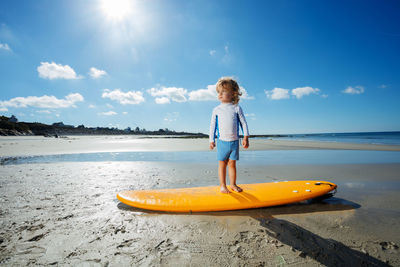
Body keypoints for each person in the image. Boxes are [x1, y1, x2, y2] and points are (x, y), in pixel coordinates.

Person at [209, 77, 249, 194]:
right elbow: (212, 126)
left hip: (234, 141)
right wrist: (211, 140)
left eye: (223, 91)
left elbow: (243, 123)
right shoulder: (216, 109)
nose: (220, 94)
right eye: (219, 92)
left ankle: (233, 184)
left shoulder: (236, 108)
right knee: (222, 163)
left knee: (232, 164)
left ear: (233, 94)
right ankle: (223, 185)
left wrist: (246, 137)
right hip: (222, 141)